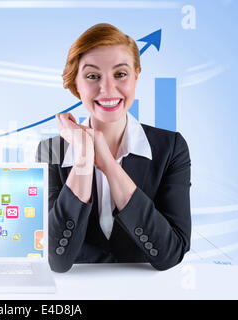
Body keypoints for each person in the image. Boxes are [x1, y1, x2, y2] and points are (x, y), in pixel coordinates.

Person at [36, 23, 191, 273]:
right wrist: (84, 156)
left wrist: (108, 164)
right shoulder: (50, 150)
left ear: (136, 77)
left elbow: (171, 253)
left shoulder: (171, 148)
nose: (107, 89)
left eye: (120, 74)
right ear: (76, 84)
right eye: (92, 76)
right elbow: (56, 259)